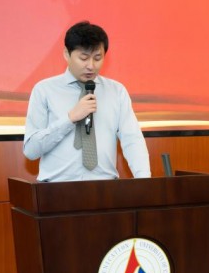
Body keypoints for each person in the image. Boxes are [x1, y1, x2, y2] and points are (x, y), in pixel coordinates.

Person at [23, 21, 150, 181]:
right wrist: (69, 119)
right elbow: (31, 150)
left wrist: (144, 180)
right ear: (67, 54)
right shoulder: (44, 90)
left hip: (106, 188)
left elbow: (132, 139)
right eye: (83, 58)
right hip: (55, 188)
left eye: (97, 58)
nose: (91, 66)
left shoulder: (116, 91)